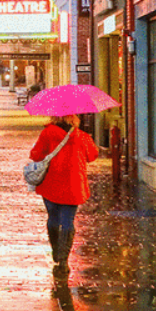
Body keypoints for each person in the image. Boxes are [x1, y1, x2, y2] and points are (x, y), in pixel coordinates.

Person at [29, 113, 99, 277]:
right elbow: (93, 155)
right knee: (68, 221)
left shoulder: (48, 133)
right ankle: (63, 260)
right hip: (73, 184)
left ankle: (55, 249)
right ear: (74, 119)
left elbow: (36, 155)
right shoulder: (81, 136)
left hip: (51, 184)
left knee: (53, 218)